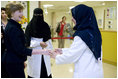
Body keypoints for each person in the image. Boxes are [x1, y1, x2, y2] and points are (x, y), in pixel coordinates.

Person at [49, 4, 103, 78]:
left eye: (74, 16)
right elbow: (83, 50)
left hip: (85, 73)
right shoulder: (94, 32)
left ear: (81, 17)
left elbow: (72, 56)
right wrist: (63, 51)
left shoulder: (82, 35)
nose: (71, 19)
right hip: (96, 71)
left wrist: (56, 56)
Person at [4, 3, 49, 78]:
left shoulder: (14, 25)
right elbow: (20, 49)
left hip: (16, 60)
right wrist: (41, 51)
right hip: (13, 62)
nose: (22, 14)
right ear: (11, 13)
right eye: (19, 11)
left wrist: (22, 61)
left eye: (22, 11)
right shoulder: (13, 28)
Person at [25, 8, 53, 78]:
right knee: (35, 73)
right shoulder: (30, 27)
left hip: (45, 53)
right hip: (35, 54)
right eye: (36, 15)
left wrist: (50, 49)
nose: (38, 16)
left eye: (40, 15)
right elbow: (27, 41)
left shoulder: (45, 25)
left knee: (45, 72)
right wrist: (38, 43)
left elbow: (49, 39)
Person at [1, 7, 9, 78]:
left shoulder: (11, 23)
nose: (4, 14)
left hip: (10, 48)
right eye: (2, 13)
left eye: (5, 13)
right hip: (2, 48)